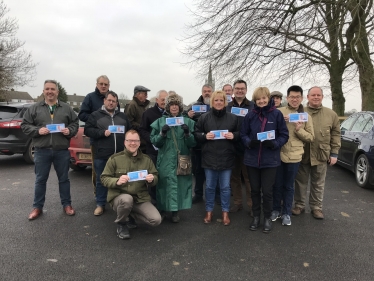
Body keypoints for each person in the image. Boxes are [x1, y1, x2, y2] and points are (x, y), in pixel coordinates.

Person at [21, 80, 79, 220]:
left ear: (57, 92)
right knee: (40, 180)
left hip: (61, 150)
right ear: (43, 91)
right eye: (47, 89)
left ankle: (67, 205)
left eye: (52, 89)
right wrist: (37, 130)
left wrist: (69, 130)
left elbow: (75, 123)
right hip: (42, 150)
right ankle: (37, 207)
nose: (50, 91)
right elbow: (25, 125)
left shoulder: (66, 108)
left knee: (64, 179)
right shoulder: (34, 108)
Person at [241, 87, 288, 233]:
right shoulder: (250, 115)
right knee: (254, 190)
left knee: (267, 191)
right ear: (255, 100)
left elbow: (284, 135)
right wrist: (249, 142)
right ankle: (256, 216)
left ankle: (267, 218)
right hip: (252, 159)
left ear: (269, 99)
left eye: (264, 98)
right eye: (258, 99)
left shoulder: (276, 114)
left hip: (270, 160)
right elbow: (243, 134)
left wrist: (274, 144)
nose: (261, 101)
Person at [100, 130, 161, 240]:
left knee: (156, 220)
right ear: (125, 142)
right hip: (120, 197)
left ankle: (130, 214)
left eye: (136, 141)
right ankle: (122, 223)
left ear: (139, 142)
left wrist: (152, 179)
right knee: (127, 200)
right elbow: (104, 178)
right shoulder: (115, 159)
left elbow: (156, 176)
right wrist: (117, 181)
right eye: (130, 141)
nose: (133, 143)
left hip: (140, 198)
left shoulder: (146, 160)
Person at [293, 86, 341, 219]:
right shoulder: (299, 112)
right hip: (303, 153)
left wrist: (334, 153)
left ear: (322, 97)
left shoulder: (331, 114)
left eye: (318, 95)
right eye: (312, 95)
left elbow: (336, 134)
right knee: (300, 182)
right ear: (307, 97)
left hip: (321, 154)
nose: (315, 97)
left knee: (318, 183)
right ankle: (299, 205)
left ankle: (316, 207)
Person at [270, 85, 314, 226]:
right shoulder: (278, 112)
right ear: (287, 98)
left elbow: (310, 137)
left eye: (297, 97)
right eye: (292, 97)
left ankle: (287, 213)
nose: (294, 99)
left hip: (294, 156)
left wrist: (299, 129)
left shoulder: (305, 116)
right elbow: (271, 130)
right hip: (278, 154)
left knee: (289, 186)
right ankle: (276, 210)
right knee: (277, 184)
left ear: (301, 98)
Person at [195, 90, 240, 226]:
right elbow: (196, 133)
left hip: (227, 157)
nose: (219, 102)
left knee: (225, 187)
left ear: (225, 102)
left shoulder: (233, 118)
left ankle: (225, 211)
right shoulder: (204, 118)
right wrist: (204, 136)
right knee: (209, 187)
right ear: (212, 102)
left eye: (221, 100)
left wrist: (234, 136)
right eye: (216, 100)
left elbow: (240, 133)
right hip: (209, 157)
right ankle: (209, 211)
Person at [150, 92, 196, 223]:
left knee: (180, 185)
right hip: (165, 160)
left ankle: (176, 212)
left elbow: (193, 144)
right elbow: (154, 142)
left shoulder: (188, 122)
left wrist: (188, 134)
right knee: (164, 185)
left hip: (181, 160)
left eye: (176, 105)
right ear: (168, 107)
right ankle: (163, 210)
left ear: (180, 107)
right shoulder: (159, 122)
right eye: (171, 105)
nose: (174, 107)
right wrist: (162, 134)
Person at [84, 91, 130, 216]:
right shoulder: (95, 115)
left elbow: (129, 131)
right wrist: (101, 133)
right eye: (109, 100)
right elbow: (87, 130)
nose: (111, 103)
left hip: (120, 155)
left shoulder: (122, 116)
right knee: (101, 180)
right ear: (104, 101)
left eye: (114, 101)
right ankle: (100, 204)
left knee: (121, 179)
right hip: (102, 154)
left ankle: (120, 204)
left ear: (117, 103)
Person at [78, 75, 119, 194]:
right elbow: (82, 115)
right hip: (97, 139)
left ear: (109, 86)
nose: (103, 86)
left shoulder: (113, 98)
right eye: (101, 84)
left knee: (114, 168)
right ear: (97, 84)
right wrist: (97, 119)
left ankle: (112, 193)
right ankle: (98, 193)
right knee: (98, 168)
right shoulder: (90, 97)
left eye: (106, 84)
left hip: (112, 139)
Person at [187, 84, 220, 204]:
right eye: (205, 91)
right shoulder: (194, 106)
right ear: (202, 92)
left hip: (214, 145)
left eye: (209, 91)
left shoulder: (217, 105)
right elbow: (186, 121)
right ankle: (198, 194)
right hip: (198, 145)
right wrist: (188, 116)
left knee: (215, 171)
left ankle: (216, 196)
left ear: (213, 92)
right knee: (198, 171)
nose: (207, 93)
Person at [226, 79, 254, 215]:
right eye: (237, 88)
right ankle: (237, 203)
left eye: (242, 88)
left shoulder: (253, 107)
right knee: (235, 177)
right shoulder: (227, 107)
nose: (239, 90)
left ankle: (251, 204)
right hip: (231, 147)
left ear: (246, 90)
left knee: (249, 178)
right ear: (233, 90)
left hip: (248, 147)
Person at [139, 89, 168, 203]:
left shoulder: (170, 114)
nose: (164, 102)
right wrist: (151, 140)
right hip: (153, 151)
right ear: (157, 100)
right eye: (162, 100)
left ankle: (165, 203)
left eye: (166, 100)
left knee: (165, 177)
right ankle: (154, 202)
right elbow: (142, 129)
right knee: (153, 177)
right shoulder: (148, 113)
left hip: (166, 151)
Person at [125, 85, 151, 153]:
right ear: (138, 94)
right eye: (145, 94)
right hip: (135, 142)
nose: (146, 96)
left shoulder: (143, 106)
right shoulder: (131, 105)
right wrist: (142, 126)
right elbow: (129, 122)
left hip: (143, 142)